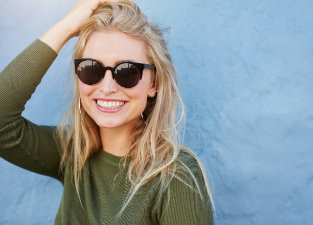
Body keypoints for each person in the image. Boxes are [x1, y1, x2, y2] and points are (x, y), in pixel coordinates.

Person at [0, 0, 214, 224]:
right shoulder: (73, 153)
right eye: (91, 69)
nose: (107, 87)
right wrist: (68, 25)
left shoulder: (175, 178)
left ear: (154, 84)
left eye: (127, 71)